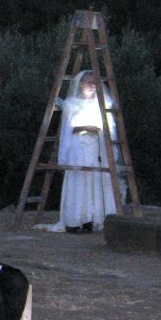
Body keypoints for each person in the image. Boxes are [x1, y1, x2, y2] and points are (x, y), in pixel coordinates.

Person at [37, 70, 122, 233]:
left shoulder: (103, 102)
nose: (92, 85)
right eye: (88, 82)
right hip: (78, 147)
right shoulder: (72, 104)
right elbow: (67, 129)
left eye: (94, 82)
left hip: (97, 148)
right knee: (79, 180)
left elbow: (109, 127)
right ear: (81, 84)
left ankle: (93, 219)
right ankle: (75, 219)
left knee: (96, 181)